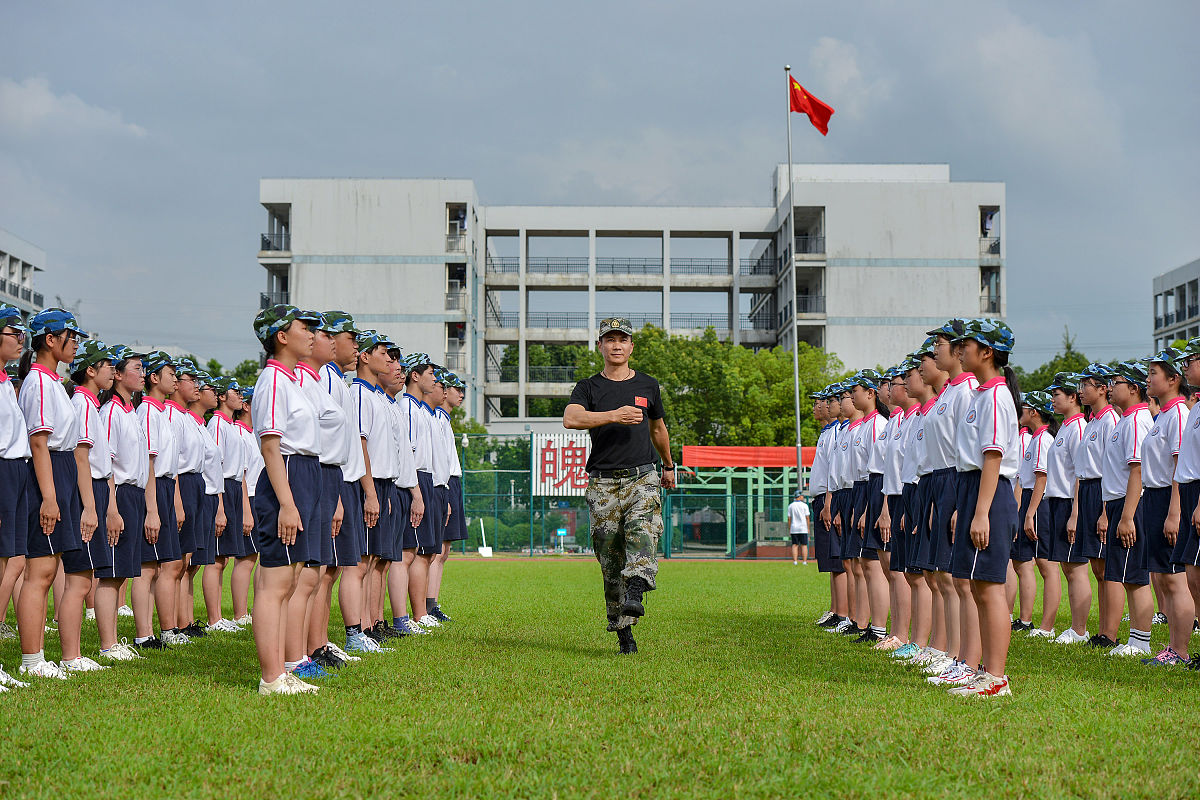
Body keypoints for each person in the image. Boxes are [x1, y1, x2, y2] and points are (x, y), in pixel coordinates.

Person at [564, 317, 675, 655]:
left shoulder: (648, 385)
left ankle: (637, 590)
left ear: (631, 347)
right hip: (603, 483)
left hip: (642, 476)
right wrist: (614, 414)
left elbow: (658, 429)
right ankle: (623, 632)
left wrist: (669, 465)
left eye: (622, 339)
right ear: (600, 346)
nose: (616, 345)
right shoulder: (588, 387)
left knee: (643, 529)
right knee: (610, 560)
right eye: (609, 339)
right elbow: (571, 418)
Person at [249, 304, 324, 695]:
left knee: (291, 578)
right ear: (281, 336)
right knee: (275, 582)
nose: (311, 334)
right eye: (303, 328)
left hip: (304, 474)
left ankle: (280, 670)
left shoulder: (292, 380)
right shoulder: (273, 380)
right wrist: (287, 504)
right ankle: (271, 677)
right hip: (288, 476)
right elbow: (271, 446)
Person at [946, 318, 1021, 698]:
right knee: (978, 587)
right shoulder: (981, 394)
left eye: (968, 345)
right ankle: (984, 671)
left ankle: (996, 677)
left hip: (989, 492)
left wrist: (980, 513)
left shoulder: (995, 396)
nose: (960, 351)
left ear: (988, 352)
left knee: (990, 590)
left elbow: (993, 457)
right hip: (975, 490)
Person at [16, 308, 89, 679]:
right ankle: (32, 660)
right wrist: (49, 497)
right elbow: (39, 443)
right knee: (40, 571)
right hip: (47, 473)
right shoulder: (40, 383)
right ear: (50, 339)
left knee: (49, 568)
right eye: (71, 338)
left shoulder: (53, 382)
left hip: (60, 470)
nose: (75, 345)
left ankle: (42, 656)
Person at [61, 339, 119, 672]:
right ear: (90, 370)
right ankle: (71, 657)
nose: (112, 370)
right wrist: (89, 507)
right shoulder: (82, 403)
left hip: (94, 489)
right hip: (87, 492)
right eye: (106, 365)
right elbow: (81, 457)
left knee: (85, 578)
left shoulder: (90, 403)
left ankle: (75, 654)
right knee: (79, 581)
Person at [1094, 361, 1154, 657]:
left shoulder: (1137, 421)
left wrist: (1128, 516)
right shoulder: (1125, 419)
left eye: (1116, 383)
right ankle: (1134, 640)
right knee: (1127, 576)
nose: (1111, 388)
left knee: (1135, 577)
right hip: (1120, 502)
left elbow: (1137, 470)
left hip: (1132, 504)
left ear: (1133, 388)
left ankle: (1140, 642)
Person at [1139, 348, 1192, 665]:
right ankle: (1173, 647)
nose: (1147, 379)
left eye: (1153, 373)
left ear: (1173, 379)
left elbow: (1179, 468)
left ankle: (1180, 650)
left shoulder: (1179, 415)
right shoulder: (1164, 416)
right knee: (1162, 576)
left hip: (1169, 499)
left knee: (1175, 579)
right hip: (1155, 497)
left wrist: (1175, 513)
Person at [136, 351, 185, 646]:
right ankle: (145, 634)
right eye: (170, 374)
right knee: (146, 567)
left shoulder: (161, 412)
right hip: (152, 489)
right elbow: (149, 464)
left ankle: (166, 630)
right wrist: (152, 510)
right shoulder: (147, 412)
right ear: (154, 378)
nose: (175, 380)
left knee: (162, 565)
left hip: (165, 487)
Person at [1071, 362, 1121, 648]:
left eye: (1086, 385)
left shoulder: (1110, 420)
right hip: (1088, 490)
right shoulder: (1092, 421)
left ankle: (1109, 633)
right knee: (1098, 569)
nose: (1081, 391)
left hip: (1102, 491)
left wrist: (1104, 512)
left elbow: (1109, 467)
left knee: (1107, 568)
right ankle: (1101, 630)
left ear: (1102, 389)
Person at [1043, 373, 1091, 644]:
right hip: (1057, 502)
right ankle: (1076, 627)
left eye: (1057, 394)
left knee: (1076, 568)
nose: (1052, 400)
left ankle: (1080, 630)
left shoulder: (1078, 428)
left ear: (1073, 397)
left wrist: (1075, 512)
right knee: (1067, 567)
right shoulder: (1065, 427)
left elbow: (1080, 474)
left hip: (1070, 502)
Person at [0, 305, 32, 689]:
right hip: (4, 471)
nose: (20, 339)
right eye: (13, 332)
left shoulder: (7, 381)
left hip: (15, 470)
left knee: (15, 559)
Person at [1015, 392, 1055, 638]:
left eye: (1024, 407)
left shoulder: (1043, 439)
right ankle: (1025, 619)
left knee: (1046, 565)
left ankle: (1046, 626)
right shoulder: (1035, 438)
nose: (1020, 411)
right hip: (1030, 501)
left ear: (1035, 412)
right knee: (1024, 563)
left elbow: (1042, 478)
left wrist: (1030, 513)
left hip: (1038, 502)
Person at [431, 371, 469, 621]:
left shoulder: (444, 419)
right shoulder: (436, 418)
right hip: (443, 483)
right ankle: (428, 605)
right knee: (436, 550)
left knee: (444, 551)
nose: (460, 394)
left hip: (451, 482)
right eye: (456, 389)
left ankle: (432, 603)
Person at [786, 490, 810, 565]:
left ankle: (795, 561)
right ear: (799, 496)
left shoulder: (790, 506)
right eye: (802, 495)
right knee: (804, 545)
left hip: (794, 528)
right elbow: (807, 518)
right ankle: (804, 561)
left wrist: (790, 528)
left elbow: (789, 518)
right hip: (803, 528)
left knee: (794, 545)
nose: (803, 497)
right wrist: (808, 528)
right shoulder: (804, 505)